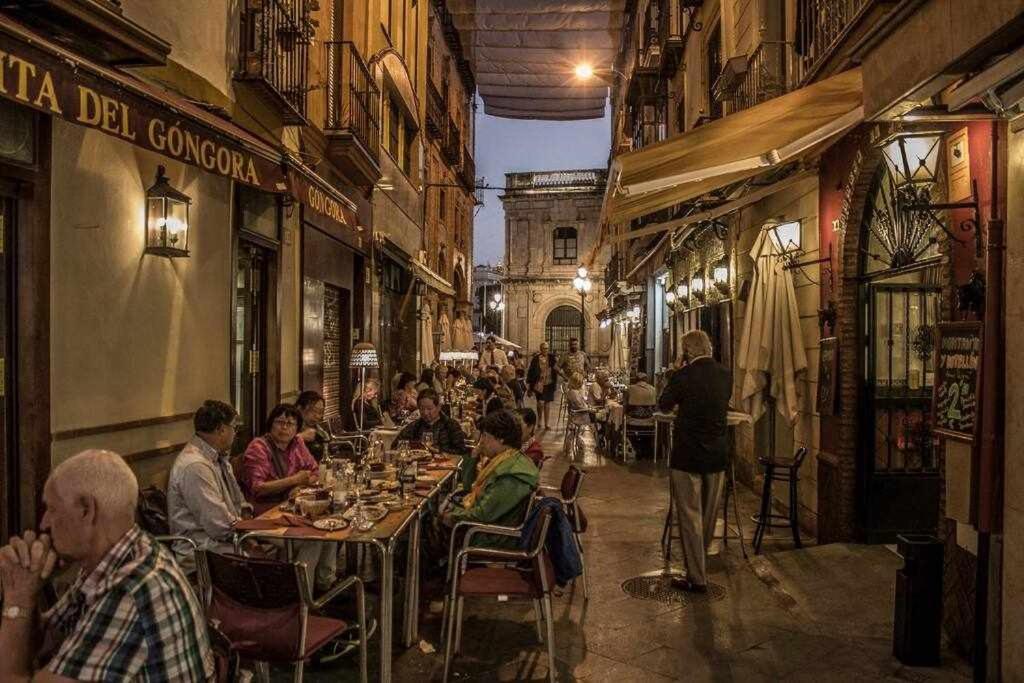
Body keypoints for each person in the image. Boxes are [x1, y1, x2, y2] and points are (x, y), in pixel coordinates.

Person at [0, 449, 215, 680]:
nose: (44, 524)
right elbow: (45, 642)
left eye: (52, 509)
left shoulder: (131, 588)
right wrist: (29, 591)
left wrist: (18, 597)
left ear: (87, 510)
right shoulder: (121, 558)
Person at [657, 330, 732, 593]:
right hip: (717, 456)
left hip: (687, 455)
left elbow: (664, 404)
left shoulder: (683, 376)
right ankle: (699, 570)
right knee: (708, 516)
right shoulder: (726, 374)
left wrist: (674, 373)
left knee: (690, 517)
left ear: (686, 352)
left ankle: (697, 577)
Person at [240, 404, 337, 592]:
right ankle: (299, 593)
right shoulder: (259, 447)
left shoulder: (297, 444)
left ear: (296, 429)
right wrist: (293, 480)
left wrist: (299, 485)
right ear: (270, 425)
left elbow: (315, 471)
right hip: (265, 516)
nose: (285, 427)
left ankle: (324, 584)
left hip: (293, 511)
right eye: (280, 422)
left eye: (291, 424)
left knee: (330, 524)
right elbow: (258, 488)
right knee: (314, 538)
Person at [167, 400, 250, 570]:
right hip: (202, 551)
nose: (235, 434)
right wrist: (252, 533)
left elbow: (238, 504)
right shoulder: (195, 466)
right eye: (234, 428)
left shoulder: (218, 458)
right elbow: (219, 527)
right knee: (274, 567)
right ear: (221, 429)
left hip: (225, 540)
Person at [441, 410, 539, 544]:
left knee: (431, 525)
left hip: (491, 536)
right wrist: (474, 456)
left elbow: (482, 514)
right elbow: (469, 486)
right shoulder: (503, 460)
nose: (481, 442)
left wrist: (452, 516)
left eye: (485, 436)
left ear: (500, 439)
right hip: (484, 528)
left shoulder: (512, 473)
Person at [394, 388, 469, 456]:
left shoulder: (450, 425)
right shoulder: (415, 426)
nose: (425, 413)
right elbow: (395, 445)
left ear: (438, 407)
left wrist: (439, 451)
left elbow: (461, 451)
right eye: (422, 409)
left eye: (429, 409)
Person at [527, 341, 558, 431]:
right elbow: (531, 371)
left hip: (549, 383)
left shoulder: (552, 357)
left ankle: (546, 423)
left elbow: (556, 368)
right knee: (540, 403)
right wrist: (529, 386)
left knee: (547, 403)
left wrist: (564, 376)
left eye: (547, 348)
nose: (546, 350)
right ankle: (539, 420)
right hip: (539, 384)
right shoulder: (536, 358)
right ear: (540, 349)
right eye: (544, 348)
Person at [296, 390, 330, 462]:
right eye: (313, 411)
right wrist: (301, 437)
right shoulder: (290, 426)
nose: (317, 416)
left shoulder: (319, 431)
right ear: (300, 409)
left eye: (320, 412)